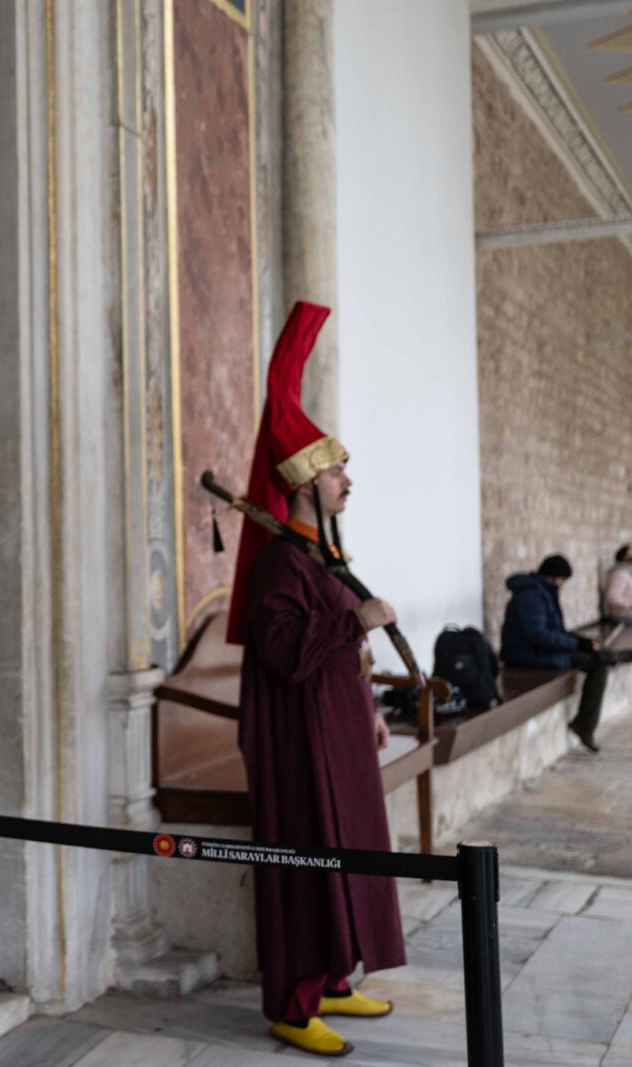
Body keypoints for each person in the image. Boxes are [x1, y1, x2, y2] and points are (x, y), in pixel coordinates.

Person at [228, 301, 406, 1058]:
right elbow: (285, 652)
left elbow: (331, 655)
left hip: (338, 736)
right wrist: (355, 621)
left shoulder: (317, 559)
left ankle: (333, 979)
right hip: (300, 750)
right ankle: (292, 1004)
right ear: (302, 481)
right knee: (308, 862)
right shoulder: (281, 566)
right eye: (336, 469)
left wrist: (367, 704)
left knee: (349, 852)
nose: (346, 480)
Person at [502, 554, 622, 752]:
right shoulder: (531, 595)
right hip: (526, 654)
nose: (563, 585)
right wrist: (576, 643)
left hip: (538, 650)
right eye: (562, 580)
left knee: (596, 657)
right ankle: (584, 724)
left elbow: (554, 630)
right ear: (555, 577)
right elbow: (538, 636)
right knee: (597, 663)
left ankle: (606, 656)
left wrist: (582, 642)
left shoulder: (542, 592)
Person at [602, 543, 632, 627]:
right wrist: (631, 604)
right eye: (631, 554)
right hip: (625, 615)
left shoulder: (631, 573)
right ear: (624, 556)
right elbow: (612, 597)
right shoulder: (619, 573)